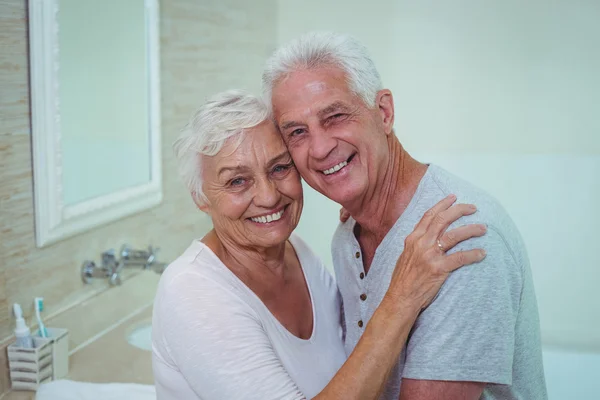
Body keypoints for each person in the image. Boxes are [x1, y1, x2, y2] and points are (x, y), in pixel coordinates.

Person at [263, 31, 547, 399]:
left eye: (334, 117)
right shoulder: (348, 237)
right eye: (297, 132)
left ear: (383, 112)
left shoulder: (460, 235)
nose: (319, 149)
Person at [151, 90, 486, 399]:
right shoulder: (192, 292)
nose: (269, 197)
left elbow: (356, 357)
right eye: (238, 181)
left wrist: (366, 206)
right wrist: (402, 298)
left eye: (279, 168)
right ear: (200, 197)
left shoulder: (296, 252)